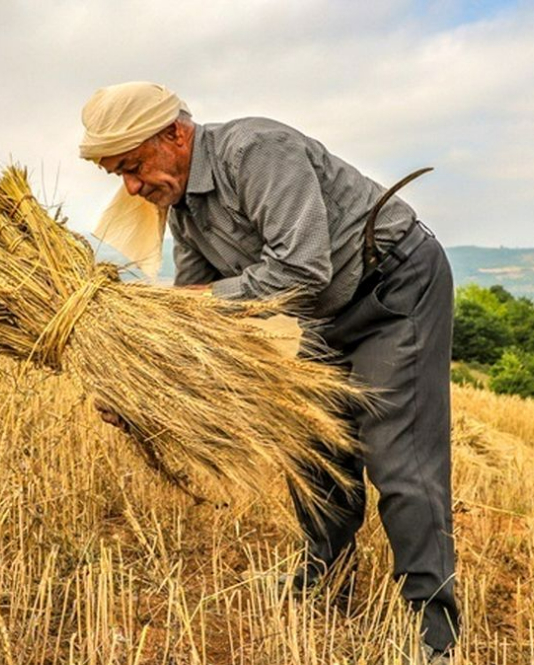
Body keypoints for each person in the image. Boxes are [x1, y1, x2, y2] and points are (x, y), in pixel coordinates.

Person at [80, 82, 459, 659]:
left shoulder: (255, 151)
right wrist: (142, 379)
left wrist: (200, 304)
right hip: (323, 311)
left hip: (392, 287)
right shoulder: (184, 207)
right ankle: (321, 583)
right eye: (119, 176)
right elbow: (196, 310)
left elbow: (301, 266)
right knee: (313, 448)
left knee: (399, 457)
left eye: (133, 166)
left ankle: (434, 630)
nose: (132, 187)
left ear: (174, 135)